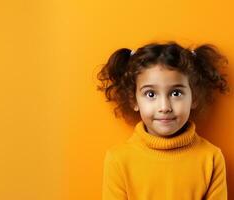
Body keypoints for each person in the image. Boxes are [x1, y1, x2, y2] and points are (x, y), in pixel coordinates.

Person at [97, 41, 229, 200]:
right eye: (151, 94)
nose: (165, 107)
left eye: (176, 93)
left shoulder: (211, 158)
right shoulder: (118, 160)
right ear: (134, 100)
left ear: (194, 97)